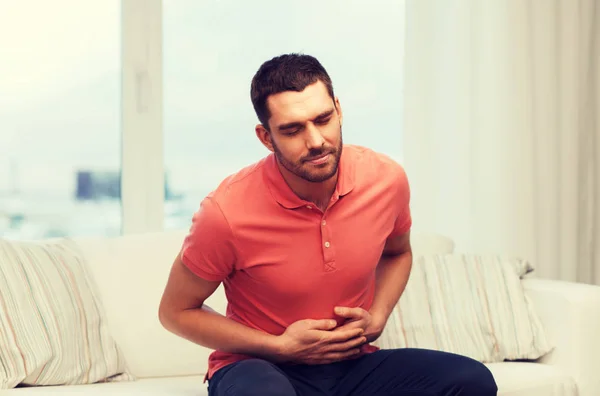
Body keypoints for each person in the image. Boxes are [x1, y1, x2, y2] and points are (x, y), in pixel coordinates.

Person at [158, 53, 498, 396]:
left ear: (338, 108)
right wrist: (280, 346)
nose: (316, 141)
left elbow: (397, 253)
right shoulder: (224, 213)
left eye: (323, 119)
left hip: (353, 364)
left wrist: (378, 316)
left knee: (472, 381)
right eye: (292, 130)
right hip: (259, 367)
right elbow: (176, 311)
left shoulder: (386, 179)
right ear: (265, 137)